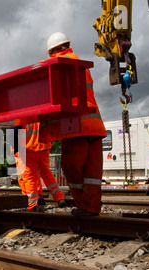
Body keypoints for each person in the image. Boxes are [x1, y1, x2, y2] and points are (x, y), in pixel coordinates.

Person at [44, 32, 107, 216]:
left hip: (76, 127)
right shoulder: (80, 64)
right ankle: (91, 208)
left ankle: (82, 206)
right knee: (92, 173)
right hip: (95, 127)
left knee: (71, 168)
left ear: (54, 50)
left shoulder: (58, 64)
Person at [21, 122, 66, 211]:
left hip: (28, 148)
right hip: (44, 146)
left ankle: (32, 204)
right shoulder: (41, 111)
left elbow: (14, 129)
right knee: (46, 172)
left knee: (30, 176)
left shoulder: (23, 114)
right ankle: (60, 198)